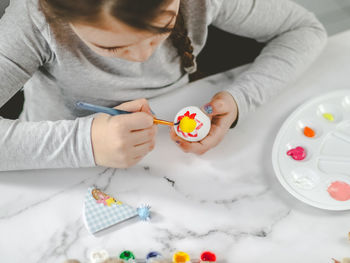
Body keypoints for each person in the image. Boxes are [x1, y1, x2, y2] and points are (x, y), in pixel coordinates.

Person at [0, 0, 327, 170]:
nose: (143, 58)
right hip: (48, 160)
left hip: (169, 156)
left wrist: (241, 97)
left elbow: (303, 30)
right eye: (113, 48)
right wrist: (85, 143)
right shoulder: (32, 20)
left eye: (165, 25)